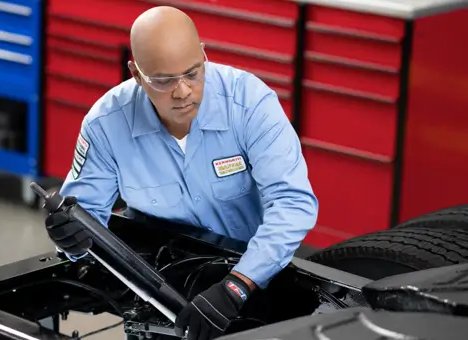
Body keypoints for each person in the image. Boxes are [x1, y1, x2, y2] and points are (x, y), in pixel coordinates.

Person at [45, 5, 319, 340]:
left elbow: (292, 204)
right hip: (161, 288)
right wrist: (70, 238)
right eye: (163, 80)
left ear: (204, 55)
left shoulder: (250, 105)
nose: (182, 91)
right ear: (136, 73)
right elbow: (87, 224)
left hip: (254, 275)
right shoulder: (106, 124)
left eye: (192, 73)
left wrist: (237, 286)